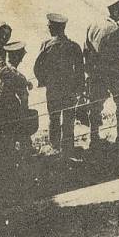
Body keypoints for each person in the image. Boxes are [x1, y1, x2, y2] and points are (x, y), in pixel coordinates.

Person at [83, 0, 119, 147]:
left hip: (94, 72)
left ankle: (94, 139)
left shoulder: (94, 24)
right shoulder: (115, 30)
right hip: (111, 74)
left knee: (95, 106)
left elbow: (86, 48)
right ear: (116, 12)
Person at [33, 13, 84, 153]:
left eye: (49, 26)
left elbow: (37, 67)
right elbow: (80, 70)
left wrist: (45, 81)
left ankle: (54, 146)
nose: (48, 28)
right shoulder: (74, 46)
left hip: (53, 88)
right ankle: (68, 147)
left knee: (53, 117)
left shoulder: (46, 45)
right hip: (69, 88)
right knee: (68, 118)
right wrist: (79, 89)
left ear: (53, 28)